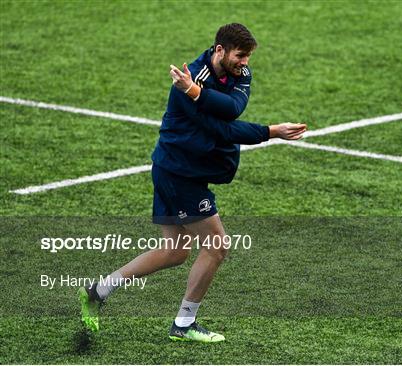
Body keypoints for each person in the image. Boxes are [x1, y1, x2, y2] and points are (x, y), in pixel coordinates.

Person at [78, 23, 307, 343]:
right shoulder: (186, 81)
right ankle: (184, 324)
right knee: (217, 246)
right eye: (240, 56)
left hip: (181, 169)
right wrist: (271, 131)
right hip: (179, 173)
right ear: (219, 51)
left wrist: (199, 94)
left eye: (248, 57)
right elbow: (224, 131)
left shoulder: (233, 76)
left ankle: (97, 291)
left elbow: (233, 108)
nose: (245, 63)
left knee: (174, 252)